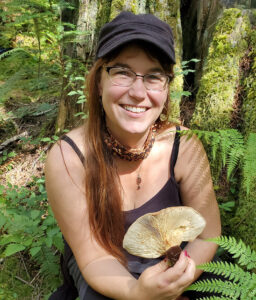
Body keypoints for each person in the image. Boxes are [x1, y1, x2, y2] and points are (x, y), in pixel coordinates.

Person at [45, 11, 221, 300]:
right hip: (107, 275)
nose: (138, 92)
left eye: (153, 76)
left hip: (178, 264)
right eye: (123, 72)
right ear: (99, 81)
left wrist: (179, 279)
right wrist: (138, 292)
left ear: (166, 88)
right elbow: (93, 258)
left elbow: (207, 234)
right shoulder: (69, 157)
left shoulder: (183, 145)